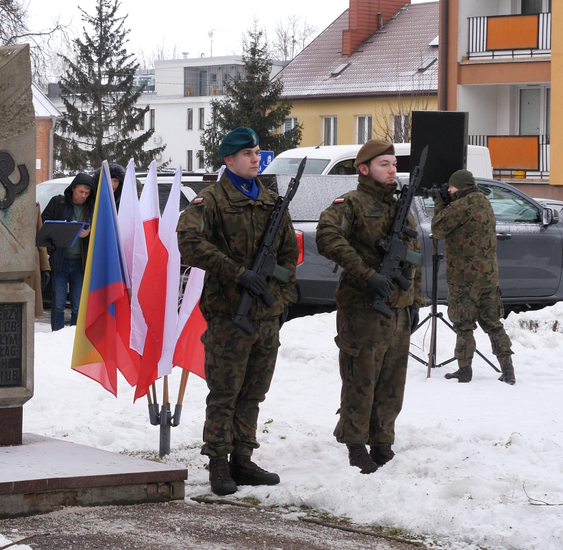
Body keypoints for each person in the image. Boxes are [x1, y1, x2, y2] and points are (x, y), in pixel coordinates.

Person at [177, 127, 297, 496]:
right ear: (229, 159)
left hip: (265, 314)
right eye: (247, 153)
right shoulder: (211, 200)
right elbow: (188, 243)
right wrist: (237, 272)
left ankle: (243, 459)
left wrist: (279, 296)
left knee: (254, 392)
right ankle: (217, 461)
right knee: (225, 392)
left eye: (257, 152)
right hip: (229, 313)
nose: (255, 158)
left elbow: (289, 254)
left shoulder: (271, 201)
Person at [316, 139, 425, 475]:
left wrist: (415, 300)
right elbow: (327, 236)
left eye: (394, 164)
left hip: (398, 309)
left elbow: (414, 258)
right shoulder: (351, 203)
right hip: (363, 308)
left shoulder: (399, 206)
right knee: (360, 379)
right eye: (384, 164)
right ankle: (355, 444)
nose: (392, 170)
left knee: (392, 381)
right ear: (364, 169)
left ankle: (382, 441)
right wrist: (367, 274)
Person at [431, 170, 515, 385]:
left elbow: (438, 229)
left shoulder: (460, 206)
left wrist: (439, 203)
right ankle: (508, 369)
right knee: (493, 323)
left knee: (464, 325)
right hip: (488, 277)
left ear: (459, 186)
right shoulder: (484, 202)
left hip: (464, 278)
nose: (449, 190)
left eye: (451, 187)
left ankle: (464, 370)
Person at [40, 172, 95, 331]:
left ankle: (74, 337)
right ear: (72, 189)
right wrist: (63, 229)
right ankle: (56, 335)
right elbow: (43, 226)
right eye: (80, 192)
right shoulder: (59, 203)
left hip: (81, 263)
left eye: (87, 193)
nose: (83, 196)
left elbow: (102, 232)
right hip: (60, 261)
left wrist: (90, 233)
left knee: (78, 306)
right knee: (58, 305)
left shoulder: (92, 208)